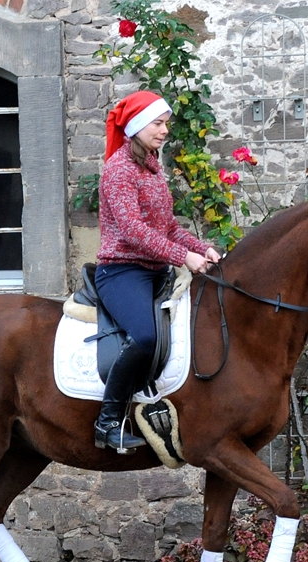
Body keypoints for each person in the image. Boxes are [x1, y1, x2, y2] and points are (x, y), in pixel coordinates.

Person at [94, 90, 221, 452]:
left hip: (155, 270)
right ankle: (107, 423)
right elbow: (134, 231)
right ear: (136, 127)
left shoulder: (151, 166)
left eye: (166, 123)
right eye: (158, 123)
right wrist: (184, 257)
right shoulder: (119, 169)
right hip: (121, 271)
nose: (165, 130)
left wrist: (204, 249)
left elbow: (167, 228)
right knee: (146, 338)